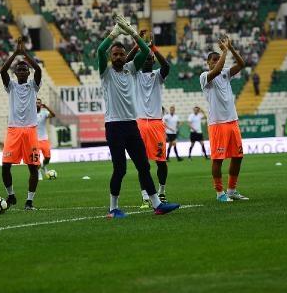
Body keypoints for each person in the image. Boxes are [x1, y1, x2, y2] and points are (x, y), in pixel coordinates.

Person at [98, 14, 180, 218]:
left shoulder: (131, 69)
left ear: (126, 57)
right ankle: (113, 208)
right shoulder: (106, 74)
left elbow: (145, 50)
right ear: (111, 57)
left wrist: (133, 33)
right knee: (120, 169)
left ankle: (157, 205)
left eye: (120, 54)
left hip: (131, 125)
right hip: (114, 126)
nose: (117, 57)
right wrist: (114, 34)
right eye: (114, 54)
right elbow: (100, 50)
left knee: (143, 165)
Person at [125, 30, 170, 208]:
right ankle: (145, 196)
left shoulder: (158, 75)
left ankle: (162, 191)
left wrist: (153, 47)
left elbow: (166, 66)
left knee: (161, 162)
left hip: (157, 123)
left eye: (152, 57)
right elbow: (128, 62)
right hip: (140, 123)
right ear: (142, 59)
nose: (150, 59)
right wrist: (138, 46)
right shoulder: (134, 75)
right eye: (147, 57)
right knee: (142, 162)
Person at [200, 36, 248, 202]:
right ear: (208, 63)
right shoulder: (205, 76)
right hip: (217, 124)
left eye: (217, 59)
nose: (216, 61)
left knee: (238, 156)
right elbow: (217, 69)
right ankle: (220, 193)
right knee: (218, 159)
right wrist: (225, 52)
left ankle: (232, 189)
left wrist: (231, 48)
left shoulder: (226, 74)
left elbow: (242, 65)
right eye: (213, 60)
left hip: (232, 121)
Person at [0, 38, 42, 211]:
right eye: (19, 68)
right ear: (15, 72)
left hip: (30, 130)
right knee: (5, 166)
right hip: (13, 130)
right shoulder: (11, 86)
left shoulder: (34, 85)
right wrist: (15, 54)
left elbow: (38, 68)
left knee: (33, 168)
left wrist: (24, 54)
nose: (23, 70)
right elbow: (2, 70)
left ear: (29, 72)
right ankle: (11, 195)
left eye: (25, 68)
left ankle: (29, 201)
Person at [36, 98, 56, 179]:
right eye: (36, 103)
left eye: (39, 103)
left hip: (44, 139)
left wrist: (46, 107)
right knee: (36, 159)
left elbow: (53, 115)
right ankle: (39, 173)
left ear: (41, 104)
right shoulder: (31, 113)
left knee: (47, 157)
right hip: (34, 140)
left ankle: (44, 166)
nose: (37, 104)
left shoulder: (44, 113)